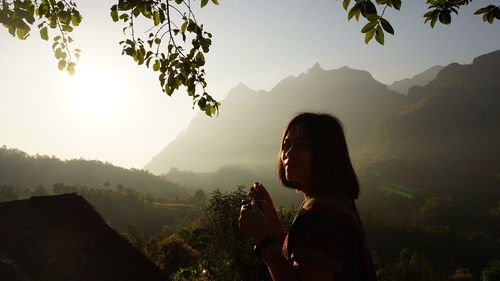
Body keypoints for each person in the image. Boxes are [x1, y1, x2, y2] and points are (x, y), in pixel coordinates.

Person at [238, 112, 377, 281]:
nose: (290, 153)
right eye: (286, 145)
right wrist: (269, 216)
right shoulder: (329, 203)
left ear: (327, 154)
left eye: (304, 146)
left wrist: (262, 238)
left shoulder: (322, 214)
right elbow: (297, 257)